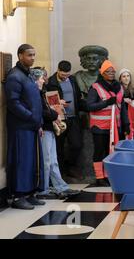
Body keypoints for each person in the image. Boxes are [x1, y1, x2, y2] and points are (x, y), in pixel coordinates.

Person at [5, 44, 45, 210]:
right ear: (20, 56)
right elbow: (13, 103)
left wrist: (38, 121)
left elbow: (35, 100)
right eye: (29, 55)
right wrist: (30, 117)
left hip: (32, 125)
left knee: (32, 161)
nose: (33, 58)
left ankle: (30, 193)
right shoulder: (15, 76)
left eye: (34, 55)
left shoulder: (27, 75)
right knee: (22, 161)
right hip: (21, 126)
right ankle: (18, 196)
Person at [30, 69, 80, 199]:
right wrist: (55, 114)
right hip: (44, 128)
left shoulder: (43, 92)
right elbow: (41, 111)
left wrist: (56, 111)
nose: (44, 79)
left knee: (53, 160)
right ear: (35, 80)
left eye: (44, 77)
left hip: (49, 127)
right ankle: (43, 189)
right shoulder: (35, 94)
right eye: (41, 77)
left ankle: (60, 186)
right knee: (46, 161)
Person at [87, 60, 130, 186]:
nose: (111, 74)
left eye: (113, 71)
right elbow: (89, 106)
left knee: (111, 152)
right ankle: (100, 177)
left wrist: (126, 124)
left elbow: (122, 108)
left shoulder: (119, 87)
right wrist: (106, 102)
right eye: (108, 71)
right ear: (102, 73)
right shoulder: (95, 87)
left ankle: (109, 175)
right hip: (99, 127)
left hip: (115, 127)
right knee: (99, 152)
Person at [46, 60, 86, 180]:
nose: (65, 77)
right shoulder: (51, 82)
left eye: (67, 75)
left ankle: (70, 166)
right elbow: (47, 100)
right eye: (63, 75)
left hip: (73, 117)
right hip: (59, 118)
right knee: (59, 146)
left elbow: (78, 96)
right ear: (58, 70)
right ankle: (61, 172)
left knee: (77, 144)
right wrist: (59, 102)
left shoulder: (73, 80)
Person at [119, 68, 134, 140]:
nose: (126, 78)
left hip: (133, 119)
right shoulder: (118, 91)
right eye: (124, 76)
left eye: (128, 76)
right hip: (123, 120)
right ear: (120, 79)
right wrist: (123, 100)